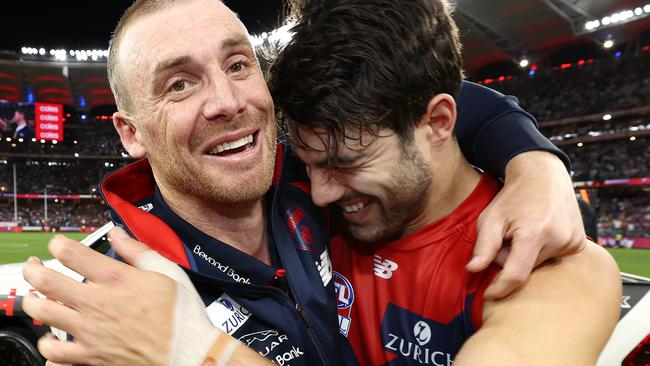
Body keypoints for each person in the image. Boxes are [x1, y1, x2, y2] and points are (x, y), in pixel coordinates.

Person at [22, 0, 588, 365]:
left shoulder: (324, 172)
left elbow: (415, 103)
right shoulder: (115, 311)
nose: (228, 102)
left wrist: (534, 160)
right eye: (178, 85)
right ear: (131, 133)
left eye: (239, 64)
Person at [268, 0, 620, 364]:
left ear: (438, 122)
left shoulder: (541, 263)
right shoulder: (305, 202)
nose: (322, 193)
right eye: (310, 165)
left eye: (347, 162)